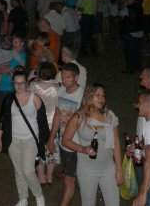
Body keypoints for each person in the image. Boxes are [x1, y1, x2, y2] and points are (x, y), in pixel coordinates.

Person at [62, 83, 122, 206]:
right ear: (89, 96)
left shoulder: (110, 116)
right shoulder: (79, 117)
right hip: (87, 170)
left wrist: (119, 169)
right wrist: (82, 149)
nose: (101, 99)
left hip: (108, 168)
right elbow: (65, 140)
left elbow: (116, 142)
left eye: (103, 96)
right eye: (97, 95)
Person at [0, 69, 48, 206]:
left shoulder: (35, 99)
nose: (19, 86)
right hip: (13, 140)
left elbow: (43, 122)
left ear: (27, 83)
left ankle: (38, 195)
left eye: (22, 83)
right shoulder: (8, 99)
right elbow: (2, 119)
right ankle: (23, 198)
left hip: (30, 140)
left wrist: (43, 141)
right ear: (13, 84)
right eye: (16, 83)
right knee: (18, 171)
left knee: (28, 171)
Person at [57, 62, 85, 206]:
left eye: (68, 77)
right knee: (71, 176)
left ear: (76, 77)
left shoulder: (82, 96)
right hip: (63, 142)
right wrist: (52, 137)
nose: (64, 80)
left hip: (75, 144)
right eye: (63, 76)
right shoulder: (61, 91)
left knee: (69, 180)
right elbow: (57, 115)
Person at [30, 62, 61, 184]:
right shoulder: (58, 87)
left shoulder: (34, 85)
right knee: (51, 148)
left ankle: (41, 176)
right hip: (53, 122)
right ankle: (49, 176)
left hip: (37, 122)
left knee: (38, 149)